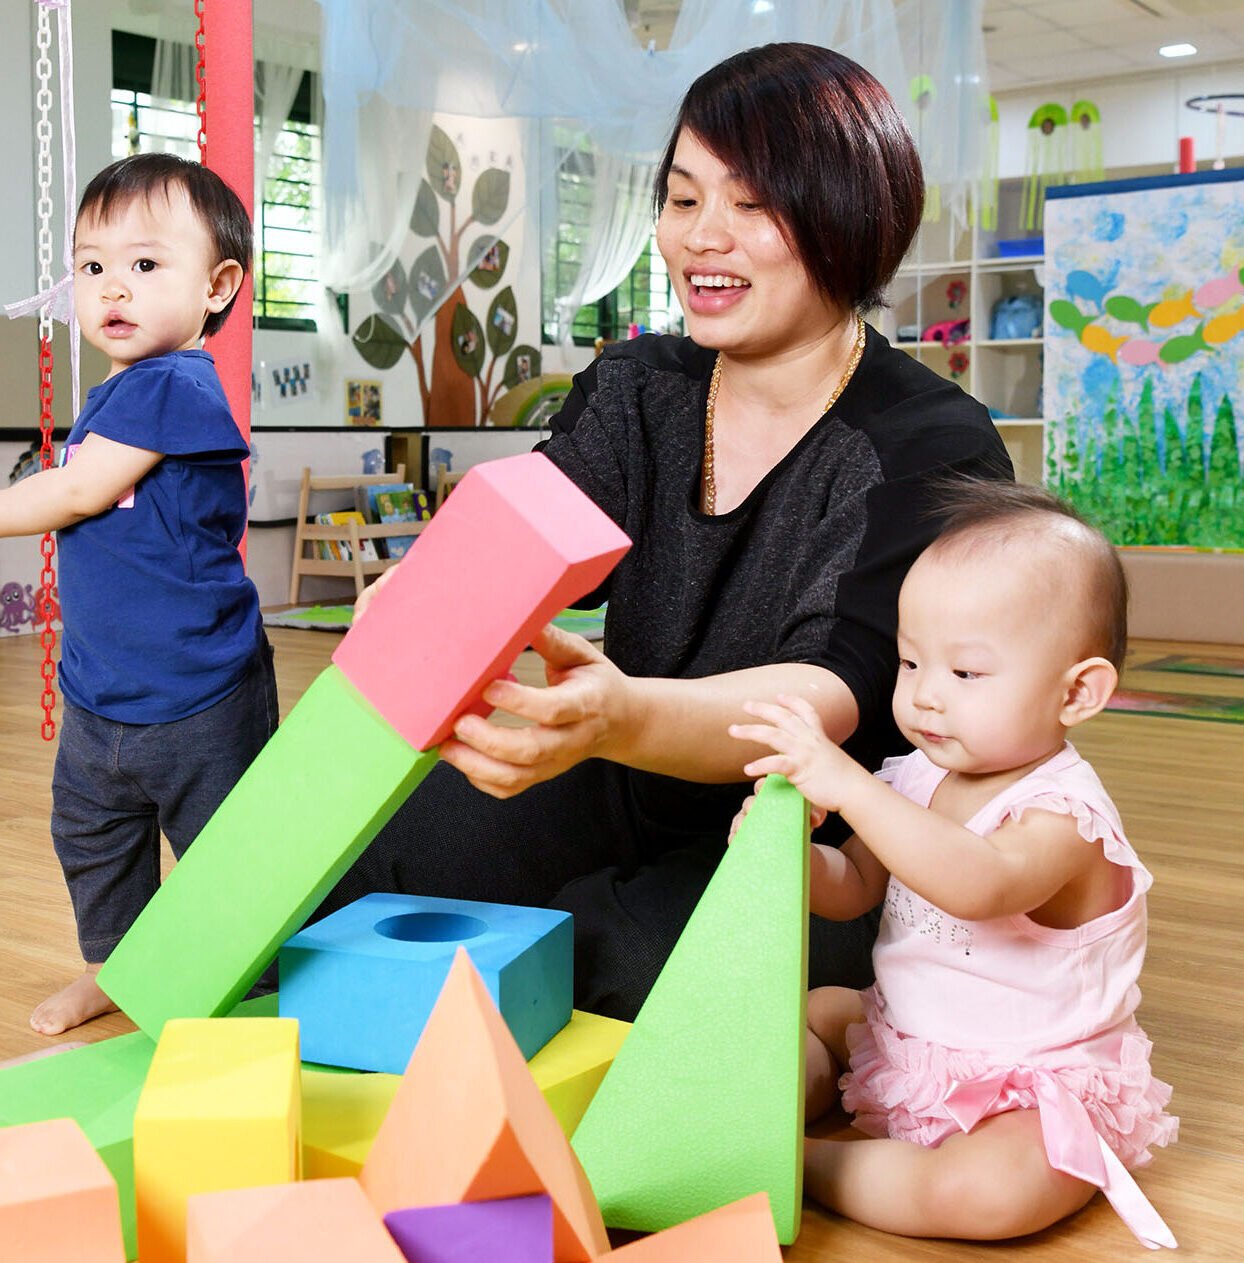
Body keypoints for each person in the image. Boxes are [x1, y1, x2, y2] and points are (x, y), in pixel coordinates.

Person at [319, 42, 1012, 1020]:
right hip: (616, 773)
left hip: (811, 835)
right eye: (683, 200)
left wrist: (616, 716)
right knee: (373, 860)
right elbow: (532, 534)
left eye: (751, 204)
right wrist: (432, 592)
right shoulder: (638, 387)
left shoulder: (927, 442)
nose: (701, 239)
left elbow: (830, 695)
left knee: (625, 969)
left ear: (847, 218)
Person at [727, 479, 1178, 1249]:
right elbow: (859, 886)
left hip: (1030, 1084)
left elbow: (977, 882)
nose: (926, 697)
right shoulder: (917, 777)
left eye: (965, 673)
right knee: (805, 1012)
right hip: (908, 1039)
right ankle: (749, 1109)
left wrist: (850, 785)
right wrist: (789, 855)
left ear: (1076, 692)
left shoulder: (1064, 817)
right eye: (909, 663)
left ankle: (800, 1167)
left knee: (988, 1193)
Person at [4, 154, 278, 1035]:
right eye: (91, 267)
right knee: (92, 837)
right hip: (102, 691)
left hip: (198, 691)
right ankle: (114, 970)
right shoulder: (114, 395)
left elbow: (76, 493)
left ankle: (248, 983)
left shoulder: (177, 385)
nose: (112, 287)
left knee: (226, 852)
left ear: (217, 286)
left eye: (146, 264)